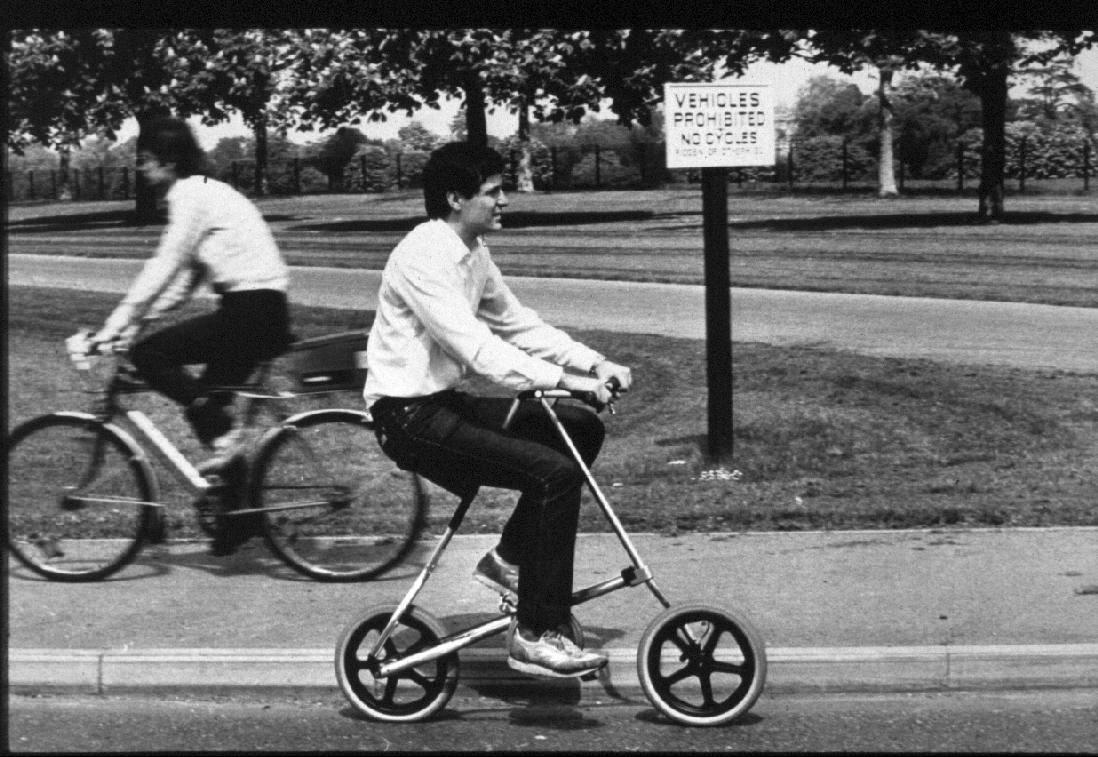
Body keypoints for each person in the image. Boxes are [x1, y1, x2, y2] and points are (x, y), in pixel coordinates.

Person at [365, 142, 633, 678]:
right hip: (409, 418)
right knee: (553, 475)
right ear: (456, 198)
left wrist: (594, 361)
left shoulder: (473, 251)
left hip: (443, 404)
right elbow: (478, 351)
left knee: (579, 430)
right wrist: (568, 382)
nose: (505, 200)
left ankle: (509, 561)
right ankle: (536, 633)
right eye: (493, 192)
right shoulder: (423, 256)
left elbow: (517, 324)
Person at [88, 117, 291, 553]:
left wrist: (117, 323)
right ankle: (238, 517)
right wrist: (134, 322)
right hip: (259, 310)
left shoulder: (190, 194)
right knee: (207, 409)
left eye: (144, 161)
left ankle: (225, 452)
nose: (140, 170)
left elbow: (165, 263)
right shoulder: (207, 192)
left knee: (150, 358)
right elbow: (182, 285)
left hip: (250, 311)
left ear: (168, 161)